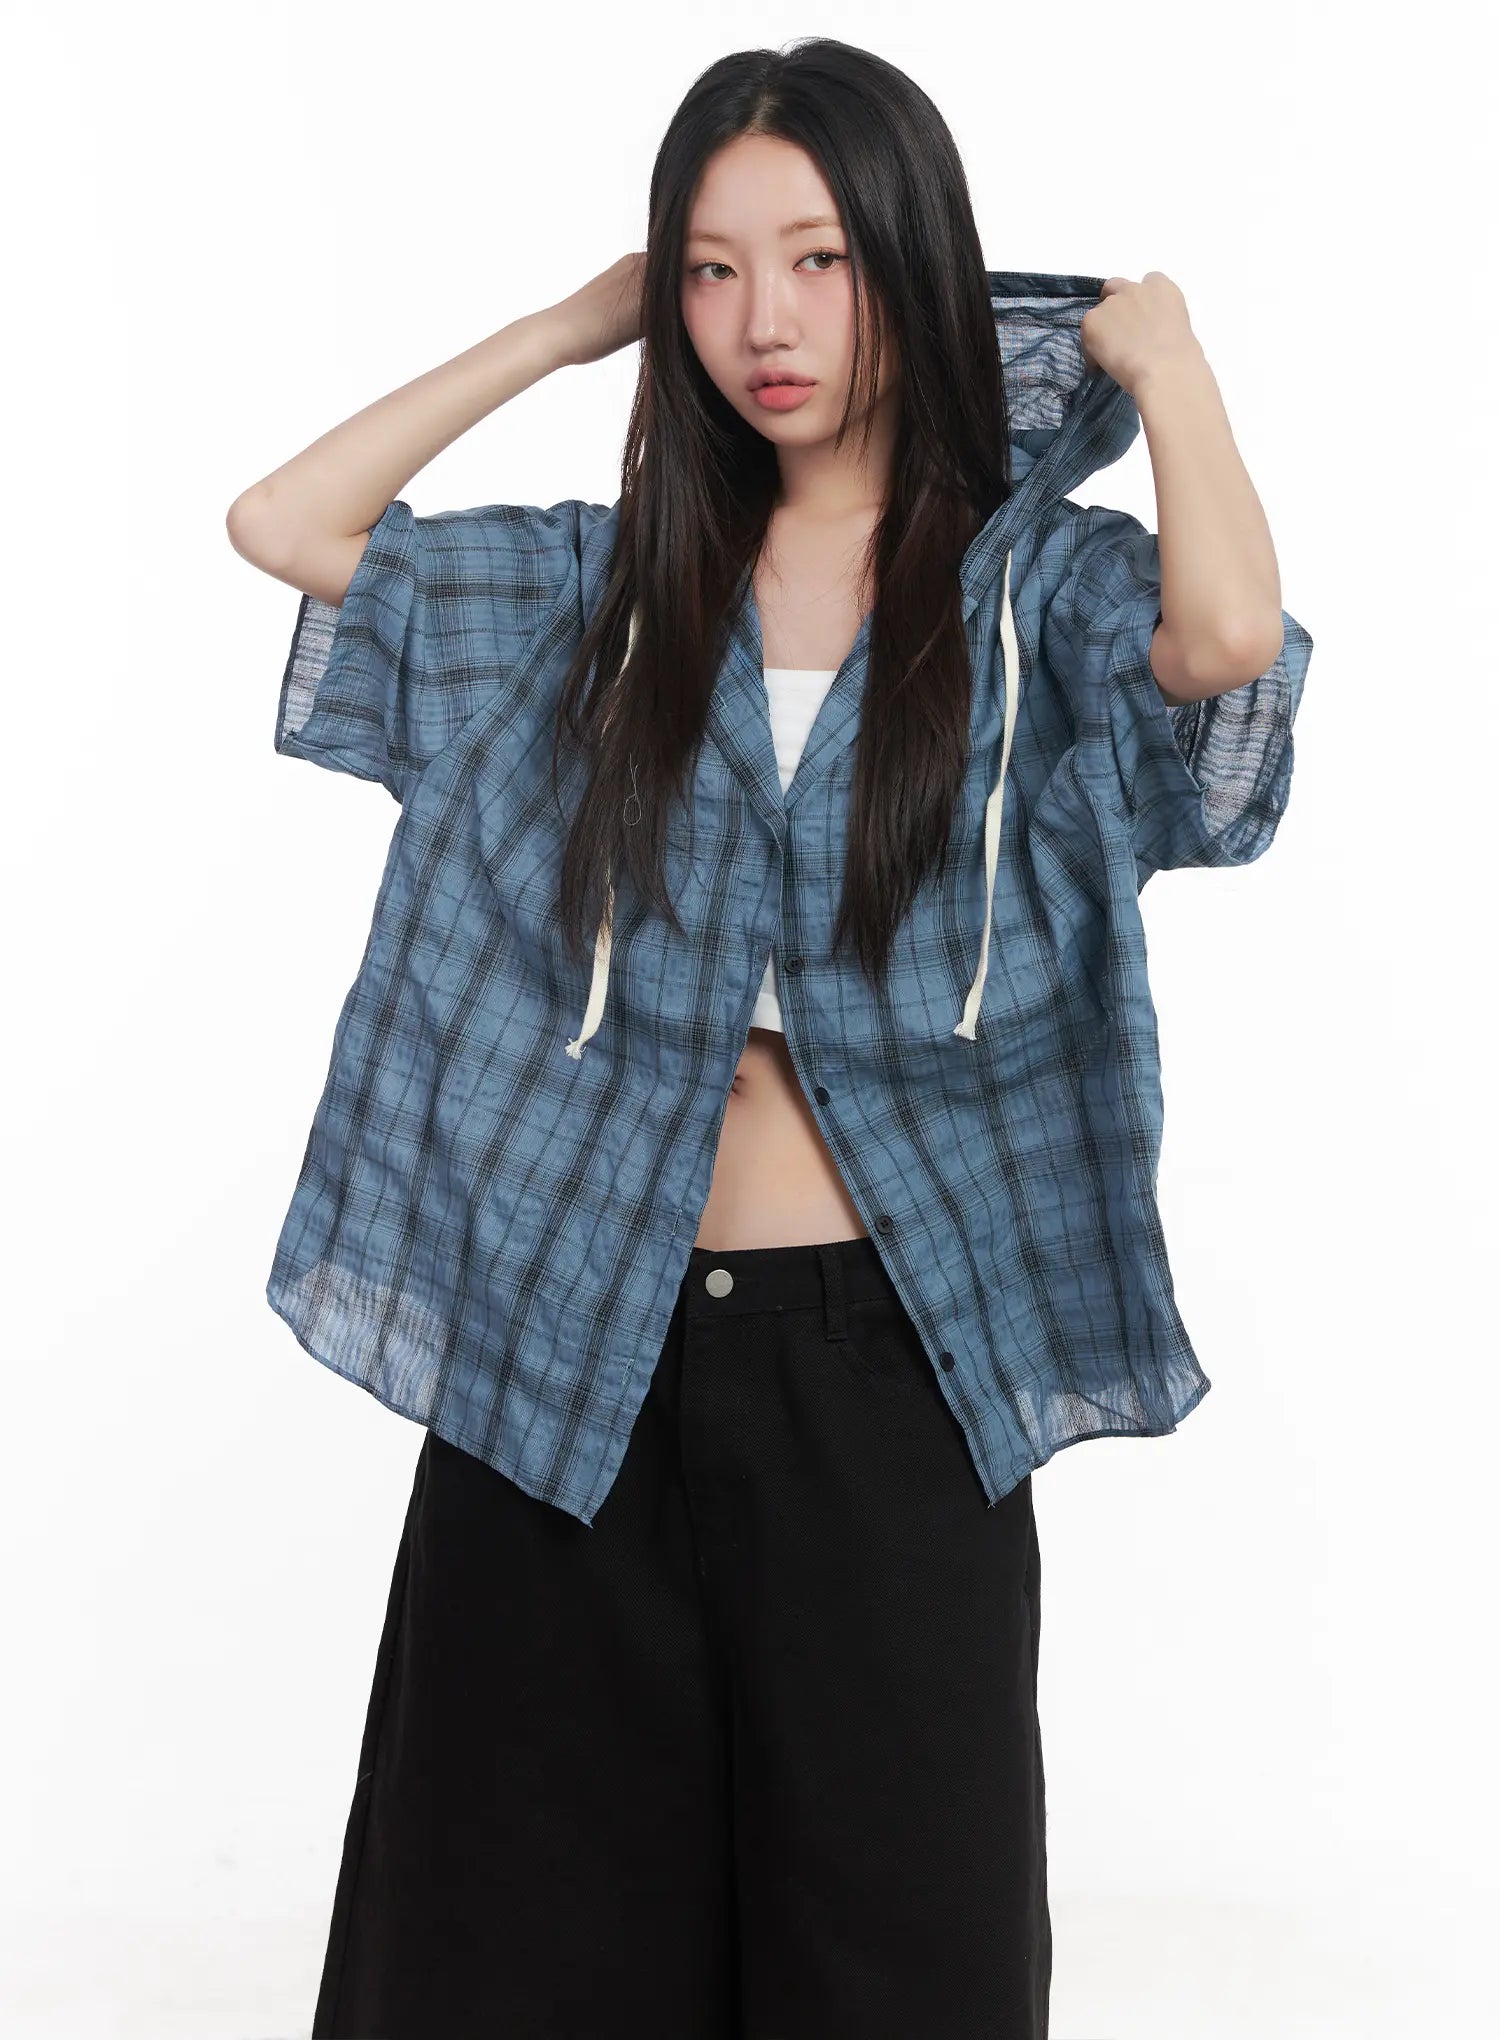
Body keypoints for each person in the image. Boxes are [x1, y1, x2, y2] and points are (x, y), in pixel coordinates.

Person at [228, 37, 1311, 2040]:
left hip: (883, 1368)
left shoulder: (1034, 590)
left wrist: (1170, 374)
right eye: (713, 272)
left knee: (902, 1955)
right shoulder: (607, 582)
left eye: (817, 260)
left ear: (911, 262)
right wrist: (570, 329)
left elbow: (1226, 647)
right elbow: (287, 523)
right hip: (571, 1348)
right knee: (507, 1948)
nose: (764, 322)